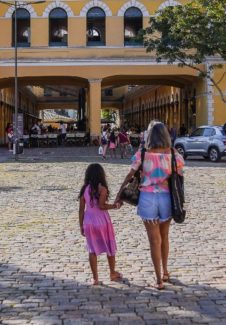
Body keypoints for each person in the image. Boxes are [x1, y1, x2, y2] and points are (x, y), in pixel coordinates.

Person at [115, 121, 184, 290]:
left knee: (154, 240)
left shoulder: (142, 154)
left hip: (147, 198)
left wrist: (119, 195)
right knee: (164, 237)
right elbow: (180, 176)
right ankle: (166, 271)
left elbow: (130, 174)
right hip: (166, 198)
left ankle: (158, 279)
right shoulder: (174, 154)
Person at [78, 163, 122, 285]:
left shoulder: (84, 189)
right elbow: (102, 206)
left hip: (89, 222)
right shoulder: (102, 189)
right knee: (110, 247)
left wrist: (81, 225)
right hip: (102, 221)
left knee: (92, 250)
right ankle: (112, 272)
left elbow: (81, 209)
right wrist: (115, 206)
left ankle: (95, 278)